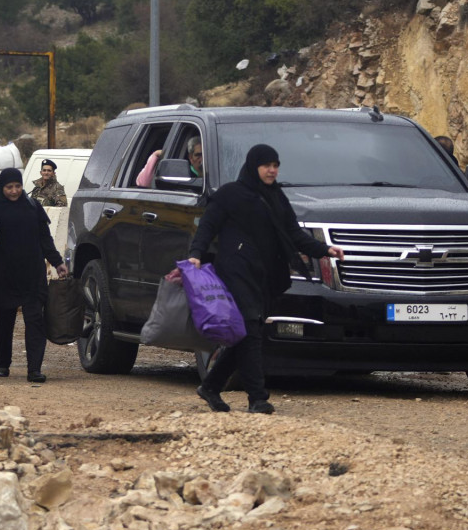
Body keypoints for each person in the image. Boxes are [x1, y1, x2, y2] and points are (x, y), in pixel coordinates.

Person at [188, 144, 345, 414]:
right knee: (251, 329)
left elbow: (293, 234)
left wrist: (324, 250)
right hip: (235, 270)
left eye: (275, 165)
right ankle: (258, 398)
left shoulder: (276, 197)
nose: (272, 170)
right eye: (266, 165)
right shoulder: (230, 194)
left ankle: (211, 385)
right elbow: (207, 226)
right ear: (254, 166)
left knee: (249, 332)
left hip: (263, 274)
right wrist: (195, 255)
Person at [0, 167, 68, 382]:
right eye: (9, 187)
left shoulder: (32, 207)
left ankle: (34, 369)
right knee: (4, 321)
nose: (14, 191)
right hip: (4, 274)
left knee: (35, 321)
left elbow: (45, 239)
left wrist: (57, 262)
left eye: (17, 186)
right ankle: (2, 364)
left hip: (32, 274)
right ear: (1, 187)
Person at [136, 137, 203, 188]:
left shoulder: (213, 176)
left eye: (205, 155)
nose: (202, 159)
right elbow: (143, 183)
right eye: (198, 155)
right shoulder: (183, 174)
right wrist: (155, 155)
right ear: (191, 157)